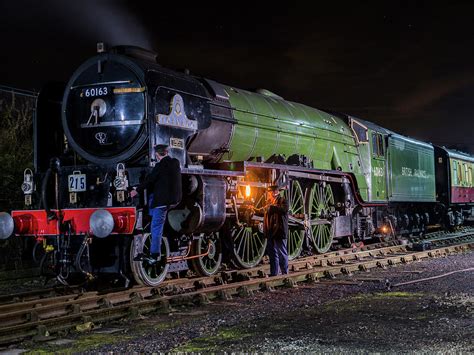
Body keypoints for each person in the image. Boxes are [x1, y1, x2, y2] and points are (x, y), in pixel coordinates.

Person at [131, 144, 182, 263]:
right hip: (173, 199)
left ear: (157, 155)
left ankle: (154, 255)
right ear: (166, 152)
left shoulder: (159, 166)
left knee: (156, 227)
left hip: (162, 202)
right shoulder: (175, 162)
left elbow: (150, 180)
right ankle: (148, 218)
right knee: (154, 215)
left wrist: (136, 190)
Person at [263, 184, 289, 276]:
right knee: (273, 255)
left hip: (279, 232)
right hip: (271, 233)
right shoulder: (269, 203)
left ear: (276, 192)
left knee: (282, 253)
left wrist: (271, 208)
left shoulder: (283, 201)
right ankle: (274, 274)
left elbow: (284, 210)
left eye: (270, 192)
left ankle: (285, 273)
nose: (269, 194)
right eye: (269, 192)